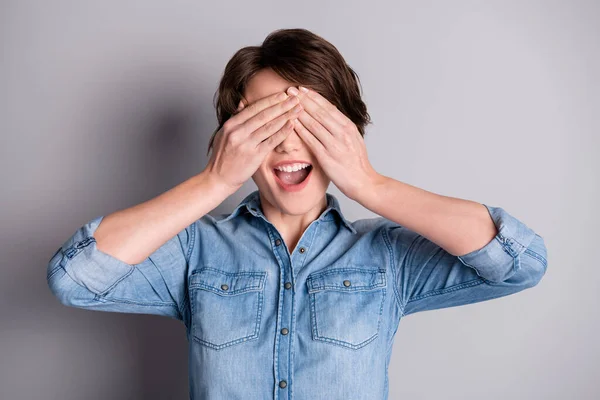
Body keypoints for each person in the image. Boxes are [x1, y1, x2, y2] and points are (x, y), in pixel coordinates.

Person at [47, 28, 548, 400]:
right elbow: (76, 278)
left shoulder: (388, 257)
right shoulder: (193, 251)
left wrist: (369, 184)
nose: (288, 140)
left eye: (311, 121)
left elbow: (519, 261)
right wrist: (215, 180)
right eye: (266, 121)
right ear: (234, 134)